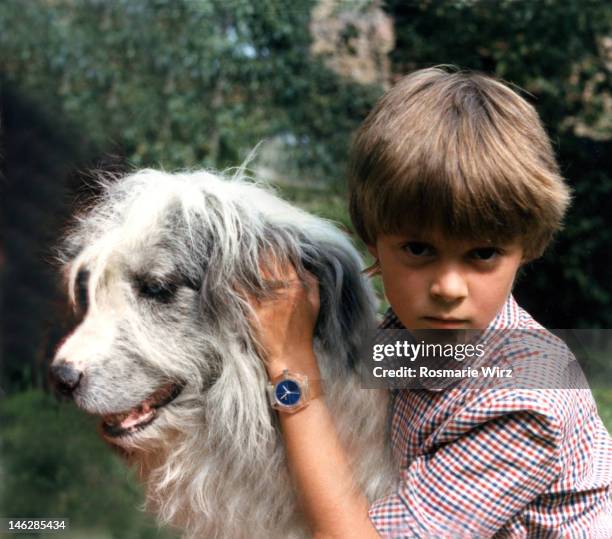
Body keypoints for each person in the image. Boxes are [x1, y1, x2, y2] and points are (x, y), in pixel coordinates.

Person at [248, 67, 612, 537]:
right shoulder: (411, 336)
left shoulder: (523, 401)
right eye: (419, 250)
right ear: (373, 240)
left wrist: (290, 368)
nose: (448, 288)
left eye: (482, 254)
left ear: (530, 246)